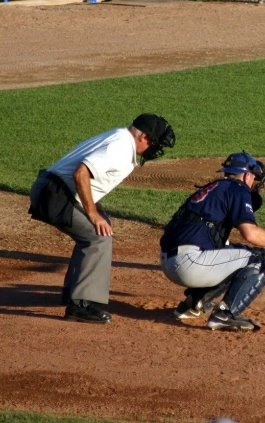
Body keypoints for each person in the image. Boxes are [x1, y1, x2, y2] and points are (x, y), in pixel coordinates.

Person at [28, 114, 176, 324]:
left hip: (54, 190)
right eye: (153, 142)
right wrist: (92, 214)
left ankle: (73, 293)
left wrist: (97, 213)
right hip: (54, 194)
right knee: (98, 236)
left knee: (100, 227)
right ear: (143, 136)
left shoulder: (121, 139)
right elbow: (81, 174)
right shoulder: (120, 148)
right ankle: (81, 305)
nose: (154, 148)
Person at [159, 151, 265, 332]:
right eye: (254, 179)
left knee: (237, 253)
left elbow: (221, 244)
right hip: (188, 264)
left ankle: (194, 304)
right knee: (260, 259)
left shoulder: (214, 189)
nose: (253, 184)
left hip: (171, 261)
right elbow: (251, 234)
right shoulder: (238, 189)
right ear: (248, 176)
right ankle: (225, 315)